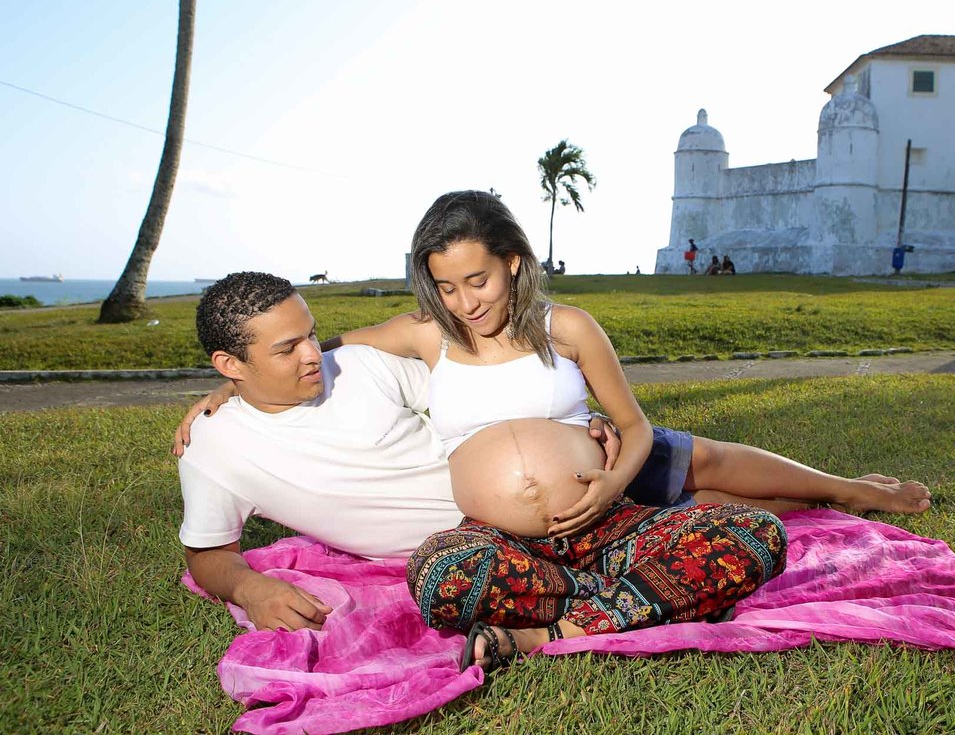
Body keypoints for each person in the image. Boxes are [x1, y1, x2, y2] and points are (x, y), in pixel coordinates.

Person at [176, 271, 787, 669]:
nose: (314, 355)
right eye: (287, 349)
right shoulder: (215, 447)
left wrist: (579, 426)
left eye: (311, 335)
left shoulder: (358, 365)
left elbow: (484, 394)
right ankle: (649, 594)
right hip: (482, 546)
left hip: (589, 514)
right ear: (228, 363)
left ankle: (562, 628)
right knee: (440, 578)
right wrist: (250, 587)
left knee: (754, 527)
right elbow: (206, 552)